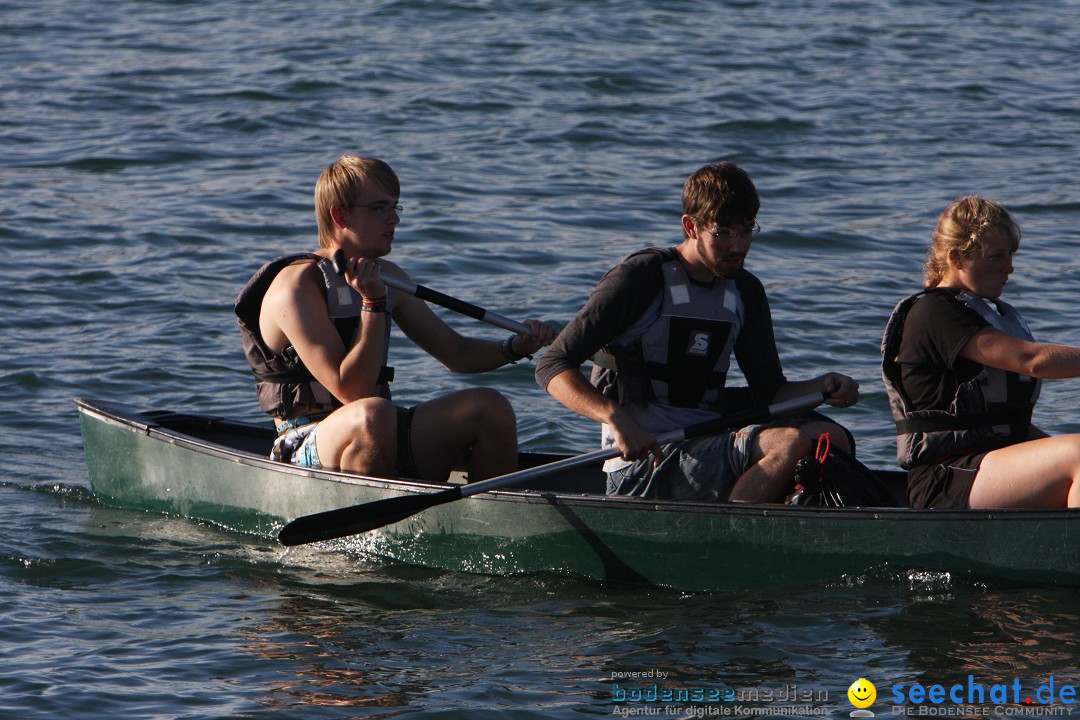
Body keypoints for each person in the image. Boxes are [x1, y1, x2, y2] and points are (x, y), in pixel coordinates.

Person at [534, 161, 860, 503]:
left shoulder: (745, 292)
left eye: (746, 230)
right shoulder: (640, 279)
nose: (738, 246)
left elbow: (771, 394)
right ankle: (731, 540)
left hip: (709, 440)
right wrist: (615, 418)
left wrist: (822, 387)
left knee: (831, 438)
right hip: (645, 463)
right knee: (790, 444)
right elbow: (552, 365)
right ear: (691, 226)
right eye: (723, 233)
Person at [235, 155, 554, 482]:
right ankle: (369, 531)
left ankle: (490, 523)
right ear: (339, 214)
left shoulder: (388, 276)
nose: (394, 220)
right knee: (373, 414)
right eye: (379, 209)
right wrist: (373, 303)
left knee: (490, 407)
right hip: (303, 443)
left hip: (377, 427)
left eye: (395, 208)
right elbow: (352, 392)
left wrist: (514, 346)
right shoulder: (296, 288)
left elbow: (456, 353)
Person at [882, 195, 1080, 508]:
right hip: (945, 478)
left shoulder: (983, 313)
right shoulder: (935, 313)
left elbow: (1003, 423)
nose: (1009, 268)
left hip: (989, 469)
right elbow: (1033, 361)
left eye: (1010, 254)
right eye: (996, 257)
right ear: (957, 258)